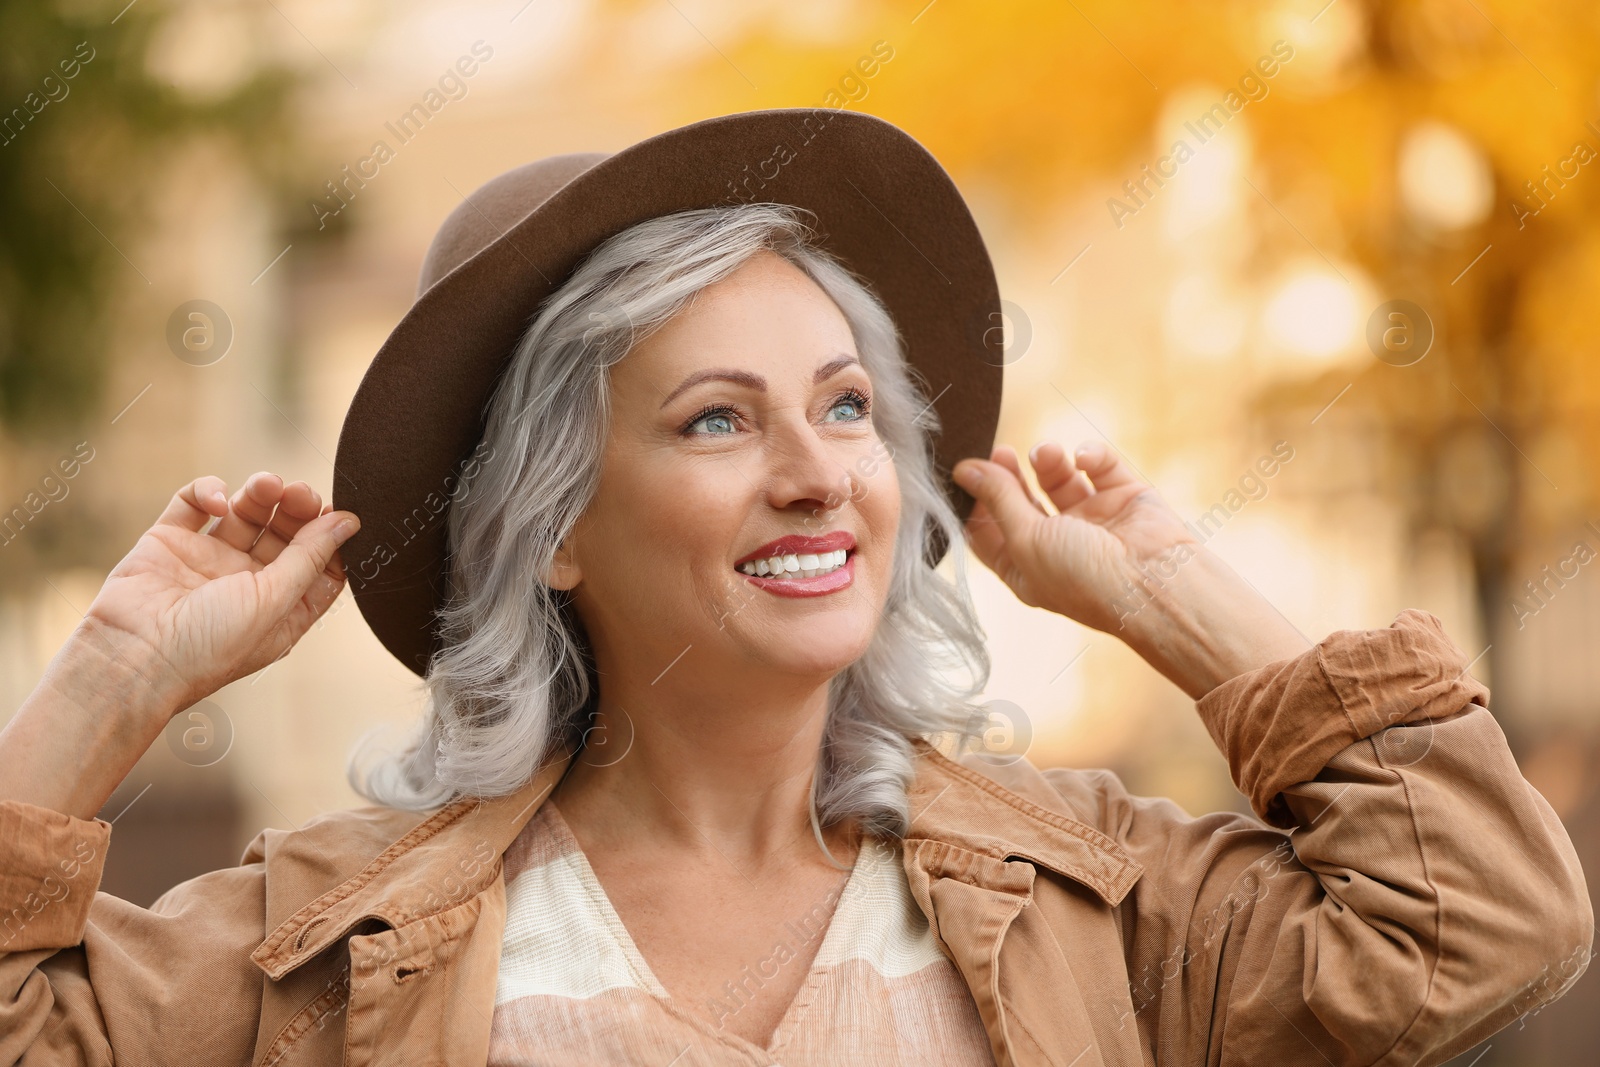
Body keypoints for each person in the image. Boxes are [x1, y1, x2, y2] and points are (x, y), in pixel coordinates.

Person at [0, 109, 1590, 1066]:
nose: (820, 470)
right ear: (554, 526)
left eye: (846, 408)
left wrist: (1181, 602)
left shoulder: (1096, 908)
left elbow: (1483, 926)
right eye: (715, 420)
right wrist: (111, 684)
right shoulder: (325, 954)